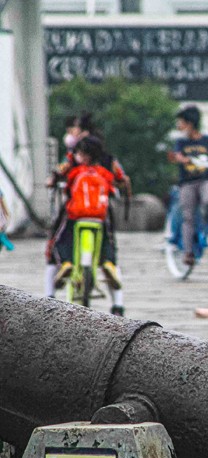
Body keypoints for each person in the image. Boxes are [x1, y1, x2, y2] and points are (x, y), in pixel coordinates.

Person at [45, 114, 129, 315]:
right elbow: (121, 178)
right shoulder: (108, 161)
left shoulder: (74, 158)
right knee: (109, 251)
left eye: (72, 129)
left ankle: (52, 290)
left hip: (75, 214)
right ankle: (117, 303)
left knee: (56, 246)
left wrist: (53, 180)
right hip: (101, 214)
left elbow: (59, 174)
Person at [52, 136, 116, 290]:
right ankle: (108, 262)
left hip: (77, 216)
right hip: (99, 217)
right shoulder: (104, 173)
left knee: (61, 239)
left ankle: (66, 262)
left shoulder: (76, 171)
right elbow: (111, 190)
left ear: (85, 156)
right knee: (108, 240)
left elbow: (68, 189)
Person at [169, 105, 208, 266]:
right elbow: (176, 155)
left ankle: (206, 228)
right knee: (188, 216)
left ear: (190, 123)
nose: (179, 126)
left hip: (204, 180)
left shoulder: (207, 141)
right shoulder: (181, 142)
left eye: (182, 123)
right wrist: (182, 159)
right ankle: (188, 252)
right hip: (187, 183)